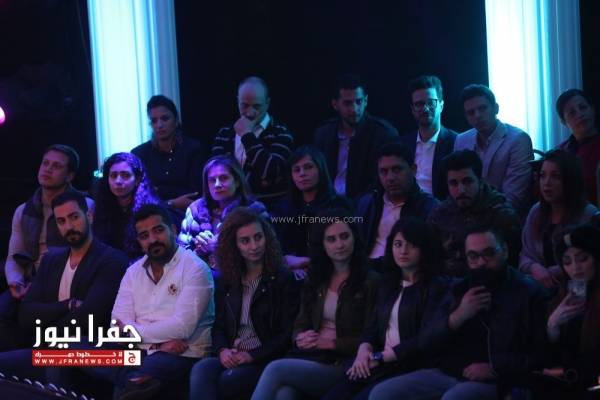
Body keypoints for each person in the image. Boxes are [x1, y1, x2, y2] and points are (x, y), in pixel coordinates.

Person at [369, 226, 549, 400]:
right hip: (450, 372)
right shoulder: (458, 289)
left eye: (488, 253)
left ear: (505, 251)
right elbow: (426, 340)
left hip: (499, 378)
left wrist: (495, 367)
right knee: (382, 393)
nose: (481, 262)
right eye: (473, 256)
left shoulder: (529, 292)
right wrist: (458, 316)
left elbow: (541, 354)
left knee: (455, 397)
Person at [251, 209, 377, 400]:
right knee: (285, 395)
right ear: (323, 245)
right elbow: (300, 323)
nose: (340, 244)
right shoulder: (317, 278)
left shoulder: (371, 282)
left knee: (275, 369)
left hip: (345, 363)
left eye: (344, 236)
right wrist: (300, 337)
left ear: (354, 238)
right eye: (331, 239)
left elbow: (372, 337)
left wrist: (330, 343)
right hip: (312, 356)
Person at [0, 191, 127, 377]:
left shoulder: (112, 260)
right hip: (49, 350)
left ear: (89, 216)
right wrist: (68, 305)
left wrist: (46, 328)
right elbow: (26, 315)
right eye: (61, 221)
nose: (69, 226)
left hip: (90, 352)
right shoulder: (51, 259)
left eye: (74, 217)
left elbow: (89, 319)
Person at [324, 217, 450, 400]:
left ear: (424, 249)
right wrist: (363, 352)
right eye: (398, 244)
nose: (403, 251)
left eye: (412, 245)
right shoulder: (388, 283)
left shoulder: (436, 287)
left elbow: (424, 338)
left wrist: (379, 356)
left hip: (409, 366)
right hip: (378, 362)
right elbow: (371, 328)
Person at [189, 207, 300, 400]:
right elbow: (218, 326)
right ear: (235, 245)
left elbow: (286, 333)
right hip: (233, 353)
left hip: (264, 357)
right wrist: (222, 350)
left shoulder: (282, 278)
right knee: (201, 369)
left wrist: (252, 355)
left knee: (228, 381)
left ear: (266, 238)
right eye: (245, 241)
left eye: (258, 237)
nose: (254, 246)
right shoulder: (227, 279)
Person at [106, 204, 215, 399]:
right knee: (74, 350)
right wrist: (155, 346)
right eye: (144, 236)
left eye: (158, 230)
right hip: (148, 350)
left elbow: (181, 328)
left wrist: (134, 334)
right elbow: (117, 326)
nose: (152, 239)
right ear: (139, 241)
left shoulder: (196, 268)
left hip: (183, 354)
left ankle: (132, 377)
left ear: (173, 229)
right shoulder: (133, 272)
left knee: (139, 372)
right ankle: (133, 378)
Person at [1, 144, 93, 349]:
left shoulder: (84, 206)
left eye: (56, 166)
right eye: (45, 163)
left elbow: (88, 253)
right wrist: (15, 282)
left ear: (70, 176)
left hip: (65, 281)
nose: (48, 169)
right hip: (30, 281)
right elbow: (13, 257)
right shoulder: (24, 210)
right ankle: (19, 362)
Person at [428, 150, 521, 277]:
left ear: (480, 181)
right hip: (448, 284)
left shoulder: (502, 214)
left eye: (467, 182)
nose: (461, 190)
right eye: (453, 183)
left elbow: (512, 266)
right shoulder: (439, 215)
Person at [532, 224, 600, 399]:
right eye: (567, 262)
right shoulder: (558, 297)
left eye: (583, 258)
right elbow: (542, 356)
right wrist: (552, 326)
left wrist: (569, 371)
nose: (575, 268)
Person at [520, 150, 599, 289]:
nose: (546, 183)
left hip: (579, 287)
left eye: (555, 176)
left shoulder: (589, 214)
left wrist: (552, 272)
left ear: (570, 180)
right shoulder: (536, 212)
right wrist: (534, 268)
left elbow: (591, 258)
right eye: (542, 176)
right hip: (538, 286)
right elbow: (525, 254)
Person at [314, 73, 399, 199]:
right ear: (335, 104)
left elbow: (382, 181)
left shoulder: (383, 134)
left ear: (366, 101)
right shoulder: (324, 134)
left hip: (367, 204)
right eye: (347, 103)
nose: (354, 109)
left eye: (358, 102)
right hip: (329, 203)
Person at [271, 146, 352, 278]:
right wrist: (287, 262)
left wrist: (306, 262)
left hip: (330, 272)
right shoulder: (283, 207)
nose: (302, 173)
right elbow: (275, 246)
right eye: (296, 170)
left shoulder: (339, 206)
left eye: (308, 167)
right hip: (289, 273)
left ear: (320, 169)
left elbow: (346, 248)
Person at [211, 76, 294, 206]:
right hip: (230, 208)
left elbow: (271, 172)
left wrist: (246, 135)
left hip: (270, 208)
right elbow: (215, 172)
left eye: (256, 106)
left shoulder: (281, 133)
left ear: (267, 103)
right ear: (237, 101)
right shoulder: (225, 133)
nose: (250, 112)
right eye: (244, 105)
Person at [356, 143, 438, 273]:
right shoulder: (367, 203)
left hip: (400, 274)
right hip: (364, 272)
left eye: (397, 170)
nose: (390, 178)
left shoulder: (428, 207)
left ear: (413, 170)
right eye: (383, 172)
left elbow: (424, 256)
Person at [454, 84, 533, 213]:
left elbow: (514, 198)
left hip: (504, 217)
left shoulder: (518, 139)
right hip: (466, 214)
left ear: (496, 108)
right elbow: (456, 188)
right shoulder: (461, 140)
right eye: (471, 112)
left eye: (482, 108)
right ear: (466, 118)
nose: (477, 115)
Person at [177, 155, 268, 268]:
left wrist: (219, 248)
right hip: (199, 273)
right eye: (212, 180)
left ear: (237, 181)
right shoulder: (195, 210)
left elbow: (266, 253)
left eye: (224, 178)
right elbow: (181, 250)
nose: (217, 185)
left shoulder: (254, 210)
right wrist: (198, 251)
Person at [132, 94, 208, 212]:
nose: (159, 125)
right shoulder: (139, 154)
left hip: (187, 213)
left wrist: (158, 190)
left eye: (165, 118)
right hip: (150, 213)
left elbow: (194, 194)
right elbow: (139, 196)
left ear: (176, 120)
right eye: (154, 121)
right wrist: (172, 202)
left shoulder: (193, 149)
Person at [92, 152, 162, 261]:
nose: (118, 181)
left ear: (137, 179)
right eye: (113, 176)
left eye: (125, 175)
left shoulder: (151, 209)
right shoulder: (102, 207)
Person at [400, 75, 457, 200]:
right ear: (412, 109)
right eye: (419, 104)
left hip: (442, 208)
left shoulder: (456, 142)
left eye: (431, 103)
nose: (425, 108)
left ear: (441, 105)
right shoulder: (403, 143)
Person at [555, 89, 600, 206]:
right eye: (572, 113)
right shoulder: (558, 153)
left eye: (583, 107)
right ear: (563, 122)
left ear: (592, 110)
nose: (579, 114)